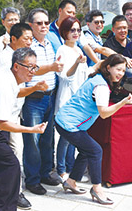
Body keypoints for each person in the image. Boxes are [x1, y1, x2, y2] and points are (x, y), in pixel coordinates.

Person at [0, 47, 47, 211]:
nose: (33, 71)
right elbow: (2, 123)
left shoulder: (7, 74)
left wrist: (35, 87)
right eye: (29, 67)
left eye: (35, 67)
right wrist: (31, 129)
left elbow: (17, 92)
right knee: (11, 168)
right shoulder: (4, 86)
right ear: (17, 66)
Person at [55, 54, 132, 205]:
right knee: (96, 150)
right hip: (69, 124)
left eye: (123, 71)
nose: (121, 73)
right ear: (109, 68)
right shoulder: (102, 86)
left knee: (87, 150)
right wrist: (123, 102)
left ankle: (70, 182)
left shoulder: (97, 77)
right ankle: (97, 189)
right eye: (118, 69)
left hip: (66, 120)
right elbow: (104, 113)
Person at [0, 22, 46, 210]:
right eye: (26, 39)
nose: (30, 42)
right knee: (14, 153)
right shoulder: (5, 60)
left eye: (31, 39)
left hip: (15, 112)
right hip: (5, 115)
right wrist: (34, 88)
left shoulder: (22, 57)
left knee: (10, 154)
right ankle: (15, 194)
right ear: (13, 39)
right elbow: (11, 91)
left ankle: (6, 190)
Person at [22, 8, 64, 195]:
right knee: (32, 140)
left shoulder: (50, 43)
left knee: (47, 138)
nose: (44, 26)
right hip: (33, 99)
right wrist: (51, 67)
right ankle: (32, 179)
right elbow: (30, 69)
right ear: (30, 25)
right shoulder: (27, 46)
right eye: (39, 23)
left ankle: (46, 172)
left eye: (46, 23)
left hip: (50, 96)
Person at [55, 16, 91, 180]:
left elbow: (83, 75)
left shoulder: (78, 49)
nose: (76, 33)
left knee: (74, 135)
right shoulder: (62, 50)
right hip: (67, 98)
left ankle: (71, 168)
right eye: (72, 30)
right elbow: (64, 76)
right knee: (65, 136)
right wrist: (76, 63)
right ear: (65, 32)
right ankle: (61, 169)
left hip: (78, 99)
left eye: (78, 30)